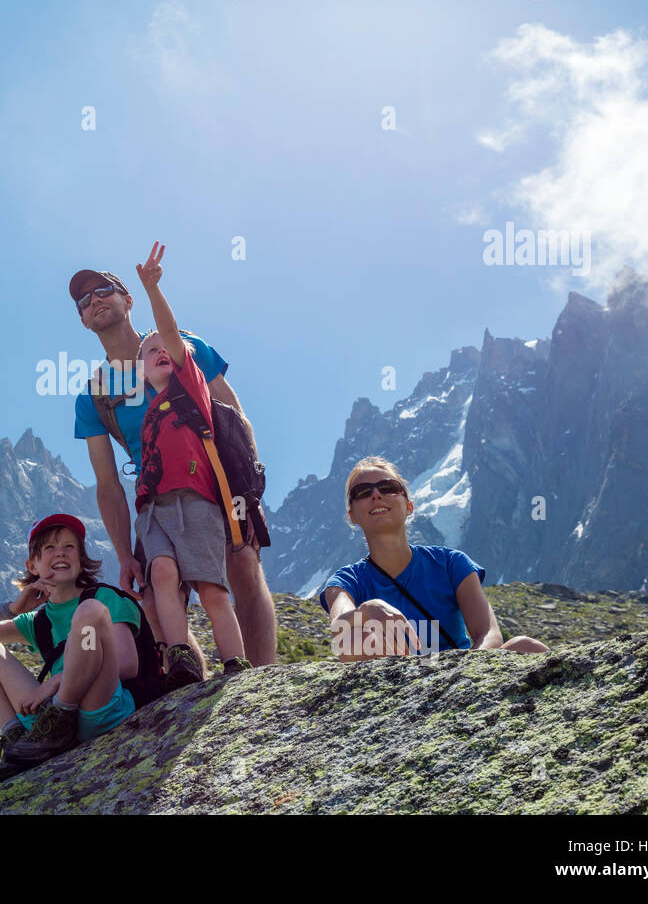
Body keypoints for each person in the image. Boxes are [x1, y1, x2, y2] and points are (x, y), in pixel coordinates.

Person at [70, 243, 277, 671]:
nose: (94, 301)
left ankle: (260, 685)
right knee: (152, 596)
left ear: (128, 300)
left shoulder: (184, 346)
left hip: (217, 482)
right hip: (157, 499)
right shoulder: (95, 396)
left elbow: (233, 416)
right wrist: (125, 553)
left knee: (241, 569)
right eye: (84, 300)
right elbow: (107, 484)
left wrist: (248, 493)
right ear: (84, 320)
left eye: (103, 290)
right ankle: (195, 691)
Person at [0, 514, 141, 785]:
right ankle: (19, 741)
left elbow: (128, 664)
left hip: (98, 705)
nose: (60, 552)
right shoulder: (37, 621)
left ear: (81, 559)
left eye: (70, 547)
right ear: (33, 565)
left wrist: (59, 681)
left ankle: (60, 716)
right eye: (49, 547)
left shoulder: (103, 598)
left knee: (89, 612)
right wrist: (12, 609)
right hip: (47, 727)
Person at [132, 248, 251, 687]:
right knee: (161, 573)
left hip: (197, 502)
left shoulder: (190, 386)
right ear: (141, 373)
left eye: (167, 347)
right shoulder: (148, 414)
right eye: (150, 352)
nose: (161, 350)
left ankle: (236, 664)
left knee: (212, 588)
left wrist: (152, 289)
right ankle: (179, 655)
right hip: (153, 510)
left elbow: (170, 334)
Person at [320, 455, 549, 659]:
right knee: (357, 637)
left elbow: (488, 633)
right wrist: (367, 609)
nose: (376, 495)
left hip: (458, 680)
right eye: (362, 492)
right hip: (388, 685)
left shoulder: (451, 563)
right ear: (352, 516)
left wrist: (464, 679)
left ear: (409, 506)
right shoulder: (347, 581)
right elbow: (339, 624)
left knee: (526, 647)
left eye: (388, 487)